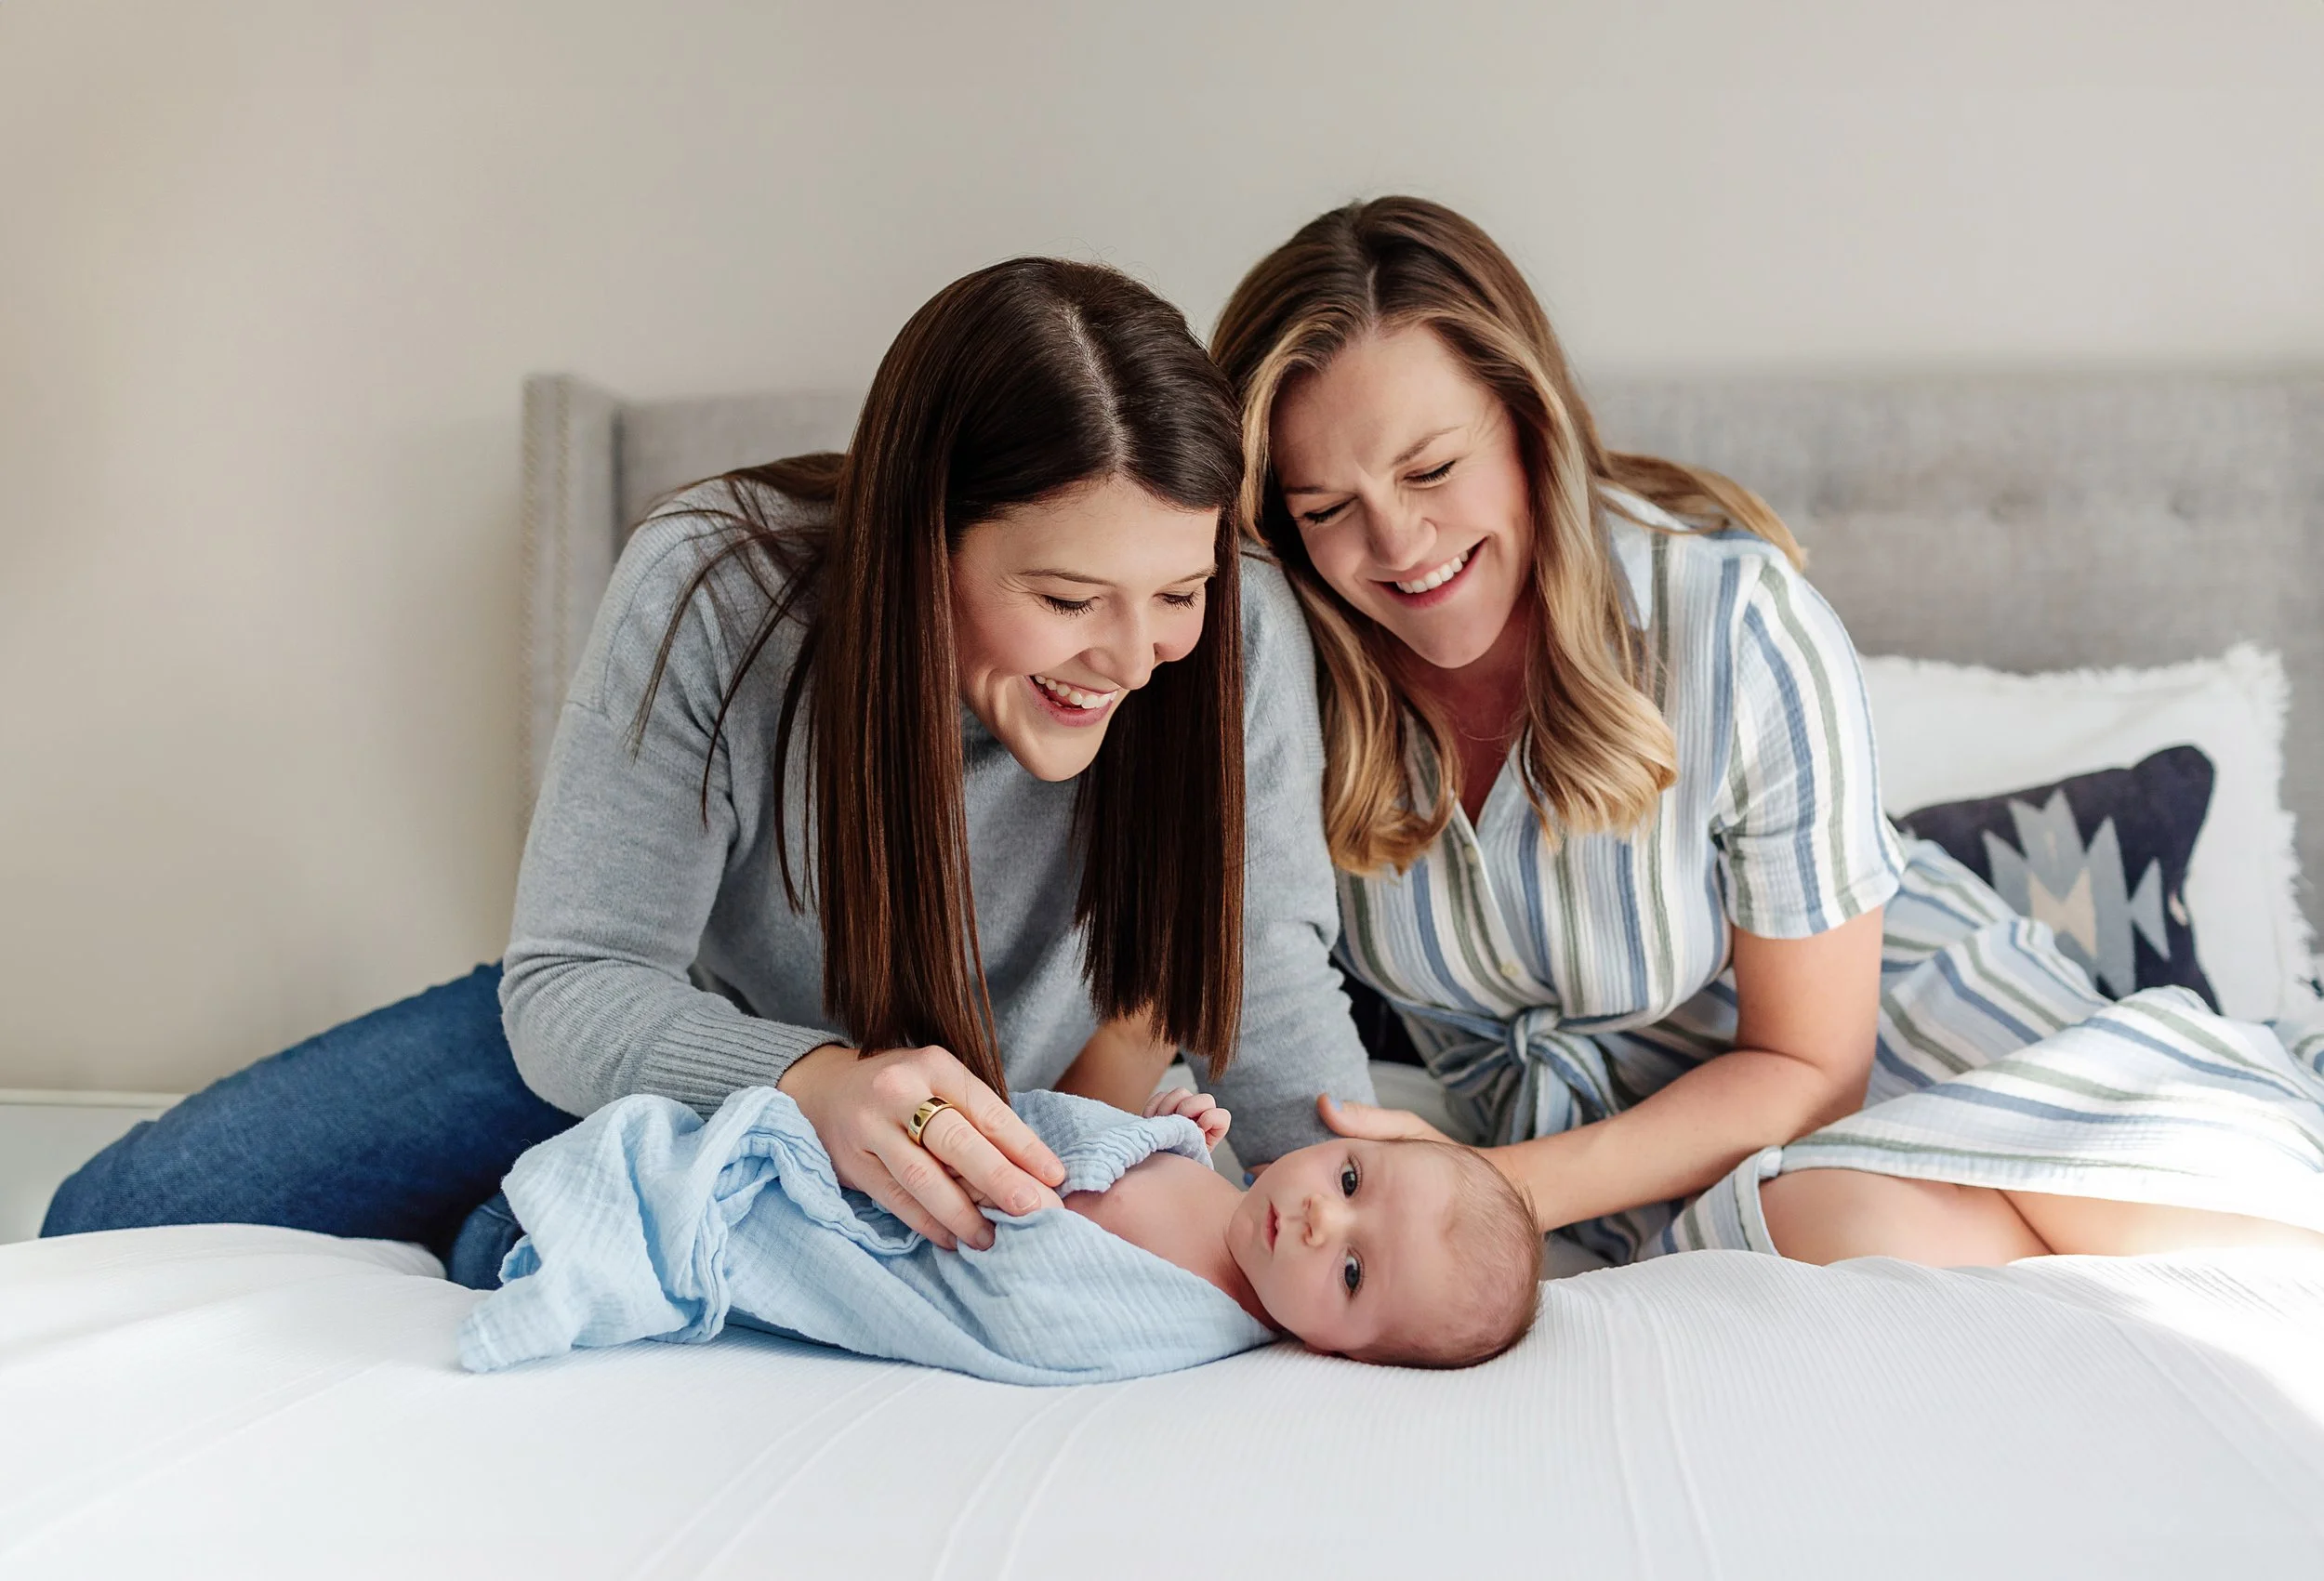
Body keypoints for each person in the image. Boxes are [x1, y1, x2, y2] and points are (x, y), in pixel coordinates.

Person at [44, 257, 1375, 1284]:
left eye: (1177, 591)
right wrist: (819, 1080)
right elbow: (573, 985)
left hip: (922, 1126)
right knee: (114, 1222)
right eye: (1071, 597)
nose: (1134, 656)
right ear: (925, 545)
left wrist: (1373, 1188)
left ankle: (511, 1212)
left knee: (490, 1254)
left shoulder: (1238, 635)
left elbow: (1264, 964)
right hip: (662, 1037)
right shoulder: (716, 590)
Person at [1207, 196, 2324, 1268]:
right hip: (1654, 1178)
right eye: (1326, 510)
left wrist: (1506, 1185)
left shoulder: (1729, 628)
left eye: (1431, 469)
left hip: (1909, 1048)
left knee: (2205, 1223)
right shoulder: (1288, 696)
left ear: (1527, 422)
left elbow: (1810, 1066)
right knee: (1836, 1235)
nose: (1398, 540)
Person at [457, 1082, 1540, 1380]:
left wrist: (1051, 1187)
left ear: (1335, 1349)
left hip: (764, 1234)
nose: (1316, 1214)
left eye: (1350, 1268)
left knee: (495, 1235)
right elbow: (1068, 1129)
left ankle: (512, 1251)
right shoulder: (1224, 1204)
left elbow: (1016, 1301)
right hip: (771, 1141)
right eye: (1350, 1175)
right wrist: (1159, 1129)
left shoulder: (1176, 1321)